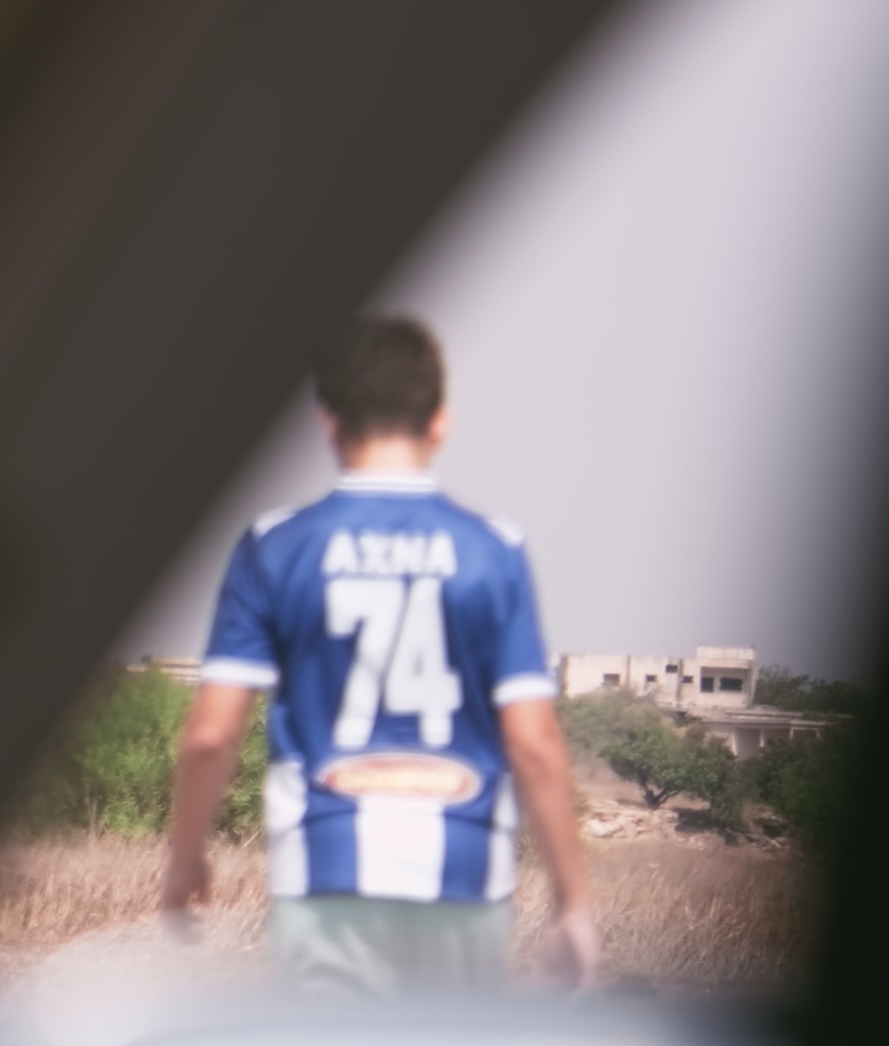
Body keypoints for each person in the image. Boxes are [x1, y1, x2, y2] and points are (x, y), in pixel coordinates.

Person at [159, 314, 602, 992]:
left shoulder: (275, 544)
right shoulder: (494, 549)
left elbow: (212, 735)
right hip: (463, 870)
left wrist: (186, 858)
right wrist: (572, 903)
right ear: (440, 423)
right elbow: (536, 746)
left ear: (328, 421)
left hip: (327, 865)